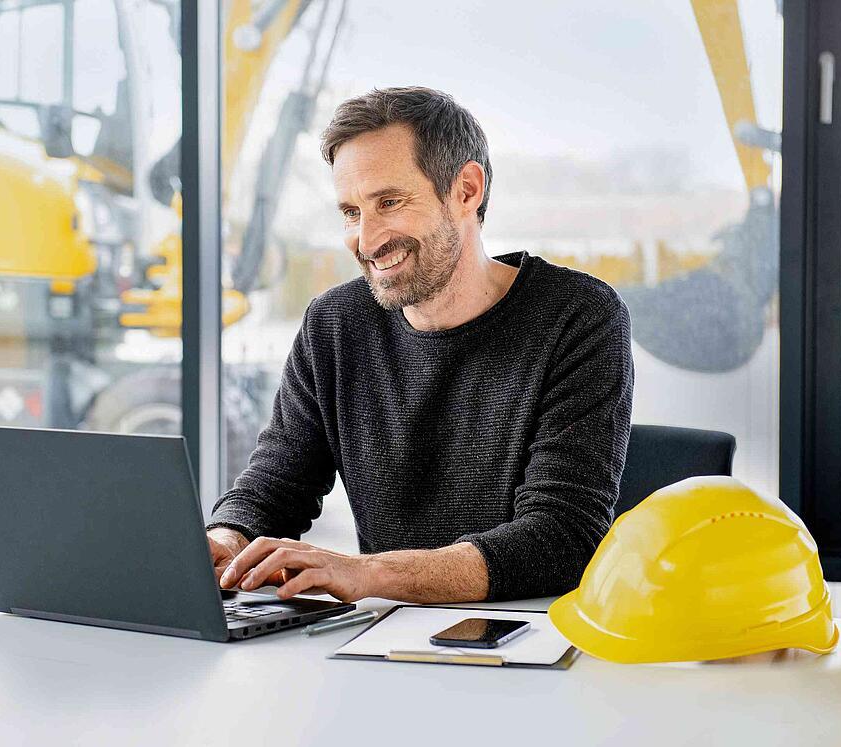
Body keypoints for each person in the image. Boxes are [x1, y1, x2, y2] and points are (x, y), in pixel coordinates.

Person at [206, 86, 634, 603]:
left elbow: (561, 537)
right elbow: (276, 485)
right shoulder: (335, 323)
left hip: (529, 640)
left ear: (466, 190)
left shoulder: (577, 317)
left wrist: (366, 574)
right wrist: (226, 540)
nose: (366, 241)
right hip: (381, 640)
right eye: (350, 212)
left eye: (389, 202)